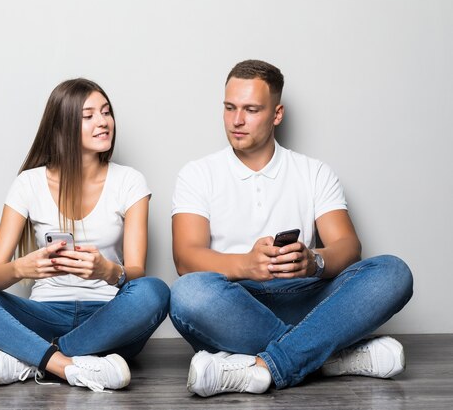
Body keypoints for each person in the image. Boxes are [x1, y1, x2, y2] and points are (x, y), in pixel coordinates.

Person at [169, 60, 413, 396]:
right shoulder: (197, 174)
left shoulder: (314, 172)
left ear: (277, 114)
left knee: (393, 272)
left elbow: (347, 246)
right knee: (187, 293)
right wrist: (246, 265)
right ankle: (332, 358)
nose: (236, 120)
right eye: (229, 108)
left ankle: (262, 367)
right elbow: (185, 257)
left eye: (251, 110)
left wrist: (314, 261)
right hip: (236, 304)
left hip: (308, 299)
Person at [0, 78, 170, 392]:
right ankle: (66, 365)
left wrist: (108, 271)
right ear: (62, 128)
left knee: (155, 291)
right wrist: (21, 268)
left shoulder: (129, 181)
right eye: (88, 116)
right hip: (43, 313)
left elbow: (137, 274)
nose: (103, 122)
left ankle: (33, 359)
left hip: (109, 320)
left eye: (106, 112)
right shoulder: (28, 184)